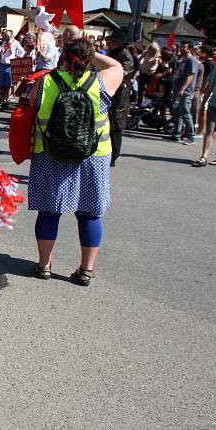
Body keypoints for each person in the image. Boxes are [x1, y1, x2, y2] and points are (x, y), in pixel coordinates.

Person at [29, 38, 124, 286]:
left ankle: (44, 265)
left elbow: (31, 105)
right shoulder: (101, 82)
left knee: (49, 211)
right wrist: (92, 56)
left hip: (51, 153)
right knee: (90, 213)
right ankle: (86, 270)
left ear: (63, 55)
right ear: (89, 58)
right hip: (94, 156)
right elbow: (117, 66)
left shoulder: (45, 81)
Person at [104, 30, 134, 166]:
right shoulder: (113, 54)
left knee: (116, 125)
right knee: (108, 123)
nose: (108, 44)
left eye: (112, 41)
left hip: (120, 94)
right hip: (111, 92)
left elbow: (122, 73)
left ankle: (114, 155)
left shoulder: (125, 56)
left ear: (119, 43)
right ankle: (109, 152)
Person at [170, 41, 199, 143]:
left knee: (185, 113)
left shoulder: (192, 60)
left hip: (185, 91)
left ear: (190, 49)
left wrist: (182, 89)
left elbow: (190, 75)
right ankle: (176, 134)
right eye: (181, 46)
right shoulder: (182, 60)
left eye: (184, 47)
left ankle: (191, 136)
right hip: (177, 91)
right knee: (177, 113)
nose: (181, 48)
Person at [0, 29, 25, 109]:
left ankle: (7, 100)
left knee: (9, 85)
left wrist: (17, 58)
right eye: (5, 36)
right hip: (2, 64)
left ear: (12, 36)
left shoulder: (15, 43)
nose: (6, 37)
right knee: (1, 84)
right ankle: (1, 100)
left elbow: (22, 52)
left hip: (10, 65)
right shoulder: (2, 42)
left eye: (8, 36)